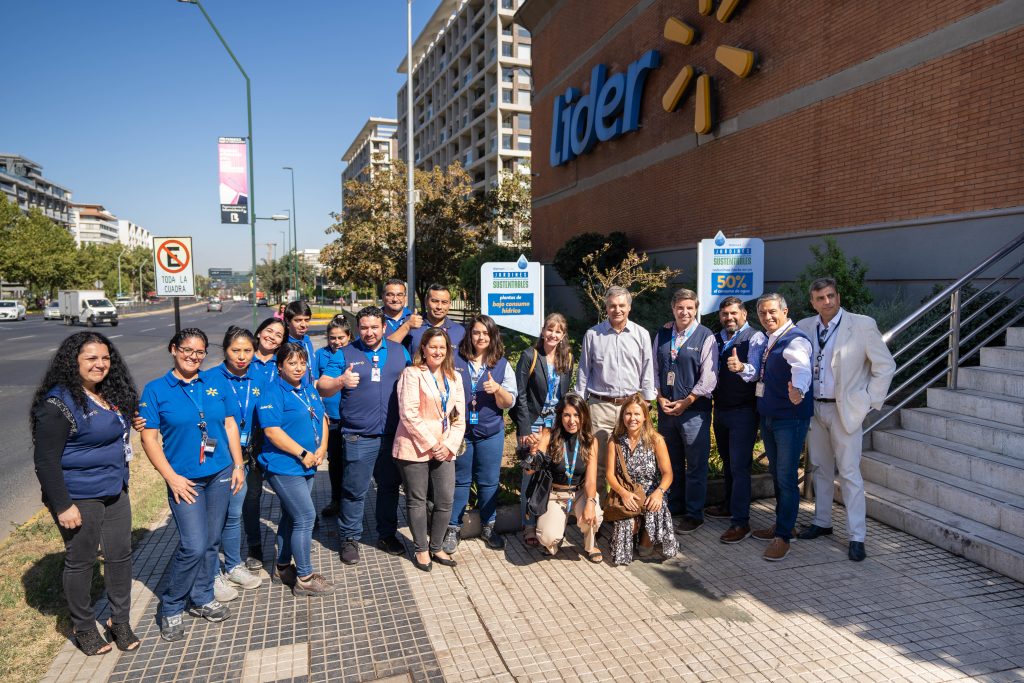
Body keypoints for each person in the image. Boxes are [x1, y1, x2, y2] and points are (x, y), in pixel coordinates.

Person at [31, 332, 140, 655]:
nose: (100, 364)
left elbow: (112, 430)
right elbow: (45, 461)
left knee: (120, 555)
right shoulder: (58, 403)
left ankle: (119, 620)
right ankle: (83, 626)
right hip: (79, 495)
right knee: (81, 561)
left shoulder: (107, 393)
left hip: (115, 489)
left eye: (105, 358)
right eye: (91, 358)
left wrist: (132, 422)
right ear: (73, 361)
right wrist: (63, 505)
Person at [139, 328, 246, 641]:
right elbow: (149, 438)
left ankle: (202, 597)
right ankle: (172, 605)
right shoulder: (156, 390)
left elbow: (229, 424)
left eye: (200, 352)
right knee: (193, 545)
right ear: (173, 349)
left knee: (212, 541)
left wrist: (238, 464)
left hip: (220, 471)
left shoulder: (215, 381)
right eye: (187, 349)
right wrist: (171, 477)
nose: (193, 356)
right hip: (184, 480)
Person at [796, 277, 895, 561]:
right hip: (815, 408)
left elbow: (885, 366)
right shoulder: (805, 326)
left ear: (838, 297)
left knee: (850, 473)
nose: (826, 302)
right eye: (820, 298)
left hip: (845, 410)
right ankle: (822, 522)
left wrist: (868, 401)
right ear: (812, 302)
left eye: (830, 296)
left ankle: (857, 536)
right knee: (820, 468)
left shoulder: (862, 325)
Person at [331, 306, 412, 565]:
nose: (369, 332)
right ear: (358, 328)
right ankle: (349, 538)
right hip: (358, 436)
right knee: (354, 490)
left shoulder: (400, 352)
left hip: (392, 434)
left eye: (374, 327)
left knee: (389, 488)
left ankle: (386, 535)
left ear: (384, 328)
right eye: (364, 327)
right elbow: (322, 385)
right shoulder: (345, 353)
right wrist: (340, 381)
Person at [256, 342, 335, 596]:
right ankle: (305, 578)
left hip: (309, 464)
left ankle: (282, 568)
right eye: (291, 363)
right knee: (305, 517)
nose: (298, 367)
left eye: (302, 362)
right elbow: (272, 431)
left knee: (291, 517)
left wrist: (322, 447)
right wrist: (302, 453)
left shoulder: (308, 388)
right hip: (284, 466)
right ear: (280, 366)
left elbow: (322, 418)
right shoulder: (272, 393)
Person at [745, 294, 813, 562]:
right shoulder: (771, 338)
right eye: (762, 313)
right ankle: (785, 524)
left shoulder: (795, 339)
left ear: (785, 311)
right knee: (777, 474)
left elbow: (802, 367)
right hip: (770, 417)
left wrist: (799, 390)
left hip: (789, 419)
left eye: (772, 311)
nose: (767, 317)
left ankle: (783, 536)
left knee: (786, 478)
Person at [393, 328, 466, 571]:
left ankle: (436, 546)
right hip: (414, 445)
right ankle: (421, 549)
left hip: (445, 447)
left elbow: (459, 417)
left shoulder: (454, 377)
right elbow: (408, 414)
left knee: (445, 498)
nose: (437, 351)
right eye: (433, 347)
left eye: (442, 347)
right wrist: (433, 444)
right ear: (423, 349)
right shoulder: (412, 374)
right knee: (417, 500)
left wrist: (449, 445)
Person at [444, 314, 518, 553]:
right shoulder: (455, 359)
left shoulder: (502, 364)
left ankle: (488, 526)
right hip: (461, 432)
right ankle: (453, 528)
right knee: (460, 481)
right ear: (469, 335)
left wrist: (497, 389)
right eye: (476, 332)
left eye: (486, 333)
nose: (481, 337)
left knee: (488, 481)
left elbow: (508, 402)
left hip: (490, 432)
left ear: (493, 336)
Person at [576, 286, 657, 497]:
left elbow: (648, 370)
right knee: (598, 463)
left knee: (631, 463)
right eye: (612, 305)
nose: (617, 310)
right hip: (600, 407)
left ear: (629, 307)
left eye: (622, 305)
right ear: (606, 308)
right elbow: (583, 371)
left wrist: (647, 403)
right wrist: (580, 406)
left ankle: (627, 510)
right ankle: (598, 510)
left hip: (630, 408)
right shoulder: (593, 335)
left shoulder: (641, 334)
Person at [652, 289, 718, 532]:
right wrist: (659, 397)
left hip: (694, 412)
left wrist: (687, 401)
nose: (685, 312)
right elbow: (653, 368)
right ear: (673, 308)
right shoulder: (662, 334)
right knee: (670, 463)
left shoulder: (705, 336)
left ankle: (694, 514)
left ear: (696, 309)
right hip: (666, 410)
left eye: (690, 307)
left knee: (696, 465)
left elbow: (709, 378)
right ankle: (675, 506)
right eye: (680, 307)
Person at [510, 312, 574, 547]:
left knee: (550, 473)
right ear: (543, 330)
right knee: (530, 474)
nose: (553, 335)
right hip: (534, 423)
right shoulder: (530, 355)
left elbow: (565, 394)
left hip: (555, 424)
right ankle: (528, 524)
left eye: (558, 331)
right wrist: (524, 427)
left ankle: (546, 523)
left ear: (563, 335)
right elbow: (520, 394)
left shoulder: (567, 358)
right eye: (550, 329)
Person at [210, 327, 264, 599]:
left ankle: (232, 565)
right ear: (225, 350)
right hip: (219, 456)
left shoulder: (261, 376)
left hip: (247, 455)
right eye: (235, 350)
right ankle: (211, 574)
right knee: (216, 517)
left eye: (247, 351)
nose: (241, 356)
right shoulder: (210, 378)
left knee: (234, 513)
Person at [709, 296, 766, 544]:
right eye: (725, 314)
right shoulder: (717, 338)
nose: (729, 317)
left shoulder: (755, 337)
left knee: (740, 466)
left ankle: (741, 522)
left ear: (744, 314)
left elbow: (755, 372)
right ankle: (728, 506)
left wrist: (741, 367)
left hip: (744, 411)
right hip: (721, 409)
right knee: (728, 462)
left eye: (734, 313)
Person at [524, 394, 602, 560]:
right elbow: (529, 471)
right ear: (560, 416)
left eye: (576, 415)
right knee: (547, 537)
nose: (571, 421)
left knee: (594, 513)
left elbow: (591, 480)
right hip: (555, 494)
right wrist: (533, 451)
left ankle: (591, 544)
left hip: (579, 492)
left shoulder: (590, 441)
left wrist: (590, 502)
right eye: (567, 415)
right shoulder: (549, 436)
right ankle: (556, 537)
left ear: (583, 416)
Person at [607, 394, 677, 565]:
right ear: (623, 416)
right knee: (625, 535)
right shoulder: (615, 441)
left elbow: (668, 473)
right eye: (628, 414)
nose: (632, 418)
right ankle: (635, 524)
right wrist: (623, 494)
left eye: (637, 414)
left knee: (645, 550)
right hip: (628, 493)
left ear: (645, 416)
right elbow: (610, 475)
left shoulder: (656, 440)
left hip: (651, 492)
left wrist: (659, 493)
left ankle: (646, 532)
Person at [242, 317, 287, 572]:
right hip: (251, 440)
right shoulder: (244, 360)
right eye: (269, 331)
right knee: (252, 495)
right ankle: (254, 546)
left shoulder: (282, 363)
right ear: (259, 332)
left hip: (280, 437)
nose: (272, 336)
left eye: (278, 334)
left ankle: (289, 542)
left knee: (287, 492)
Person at [316, 315, 352, 518]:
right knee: (335, 461)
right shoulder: (320, 355)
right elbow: (314, 384)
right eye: (332, 338)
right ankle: (336, 499)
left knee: (352, 462)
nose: (336, 342)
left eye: (341, 338)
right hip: (331, 419)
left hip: (351, 418)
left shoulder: (354, 353)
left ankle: (351, 502)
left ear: (349, 336)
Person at [407, 283, 465, 351]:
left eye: (444, 302)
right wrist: (407, 326)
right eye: (435, 301)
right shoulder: (412, 328)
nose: (439, 307)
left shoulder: (459, 331)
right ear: (426, 302)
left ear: (449, 304)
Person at [381, 278, 423, 345]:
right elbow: (384, 348)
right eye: (390, 295)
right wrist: (407, 325)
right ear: (383, 297)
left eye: (399, 295)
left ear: (405, 297)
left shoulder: (416, 320)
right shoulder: (374, 319)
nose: (395, 299)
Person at [284, 301, 316, 383]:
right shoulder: (283, 344)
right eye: (298, 320)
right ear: (287, 321)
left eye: (307, 320)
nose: (303, 325)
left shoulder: (307, 341)